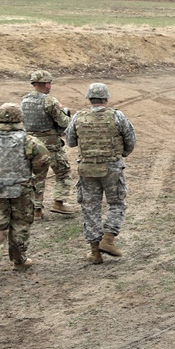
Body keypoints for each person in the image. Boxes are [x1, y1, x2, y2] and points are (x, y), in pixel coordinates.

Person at [0, 103, 50, 283]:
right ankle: (18, 259)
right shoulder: (28, 141)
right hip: (21, 189)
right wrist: (32, 174)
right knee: (20, 223)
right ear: (20, 118)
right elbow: (43, 160)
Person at [65, 83, 137, 265]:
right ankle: (109, 239)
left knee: (90, 208)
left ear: (90, 99)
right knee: (117, 203)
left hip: (87, 168)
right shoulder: (117, 116)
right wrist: (123, 154)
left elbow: (71, 141)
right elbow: (130, 139)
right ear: (106, 99)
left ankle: (95, 252)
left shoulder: (78, 117)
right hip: (112, 167)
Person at [21, 69, 76, 220]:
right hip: (51, 145)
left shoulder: (24, 101)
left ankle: (36, 210)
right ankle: (59, 202)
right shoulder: (49, 100)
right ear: (45, 84)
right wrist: (66, 114)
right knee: (63, 172)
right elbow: (63, 122)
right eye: (49, 83)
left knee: (36, 177)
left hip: (31, 145)